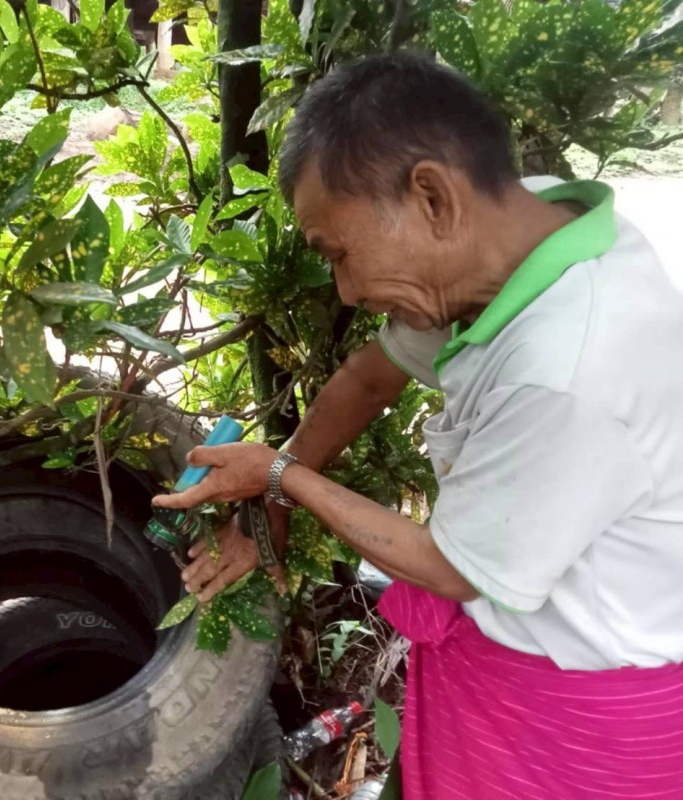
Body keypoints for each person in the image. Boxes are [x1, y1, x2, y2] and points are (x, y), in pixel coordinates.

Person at [152, 53, 683, 799]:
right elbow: (371, 375)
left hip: (576, 721)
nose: (344, 288)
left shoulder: (568, 365)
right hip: (501, 662)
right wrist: (273, 490)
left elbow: (450, 567)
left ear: (432, 196)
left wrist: (279, 472)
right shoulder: (513, 233)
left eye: (338, 254)